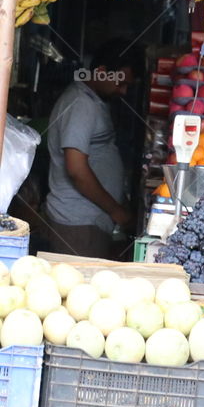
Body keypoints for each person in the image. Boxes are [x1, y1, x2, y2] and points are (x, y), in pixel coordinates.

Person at [45, 45, 135, 257]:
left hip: (89, 221)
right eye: (121, 83)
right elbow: (76, 170)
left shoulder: (93, 100)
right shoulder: (80, 104)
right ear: (102, 72)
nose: (123, 91)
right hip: (78, 224)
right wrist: (116, 211)